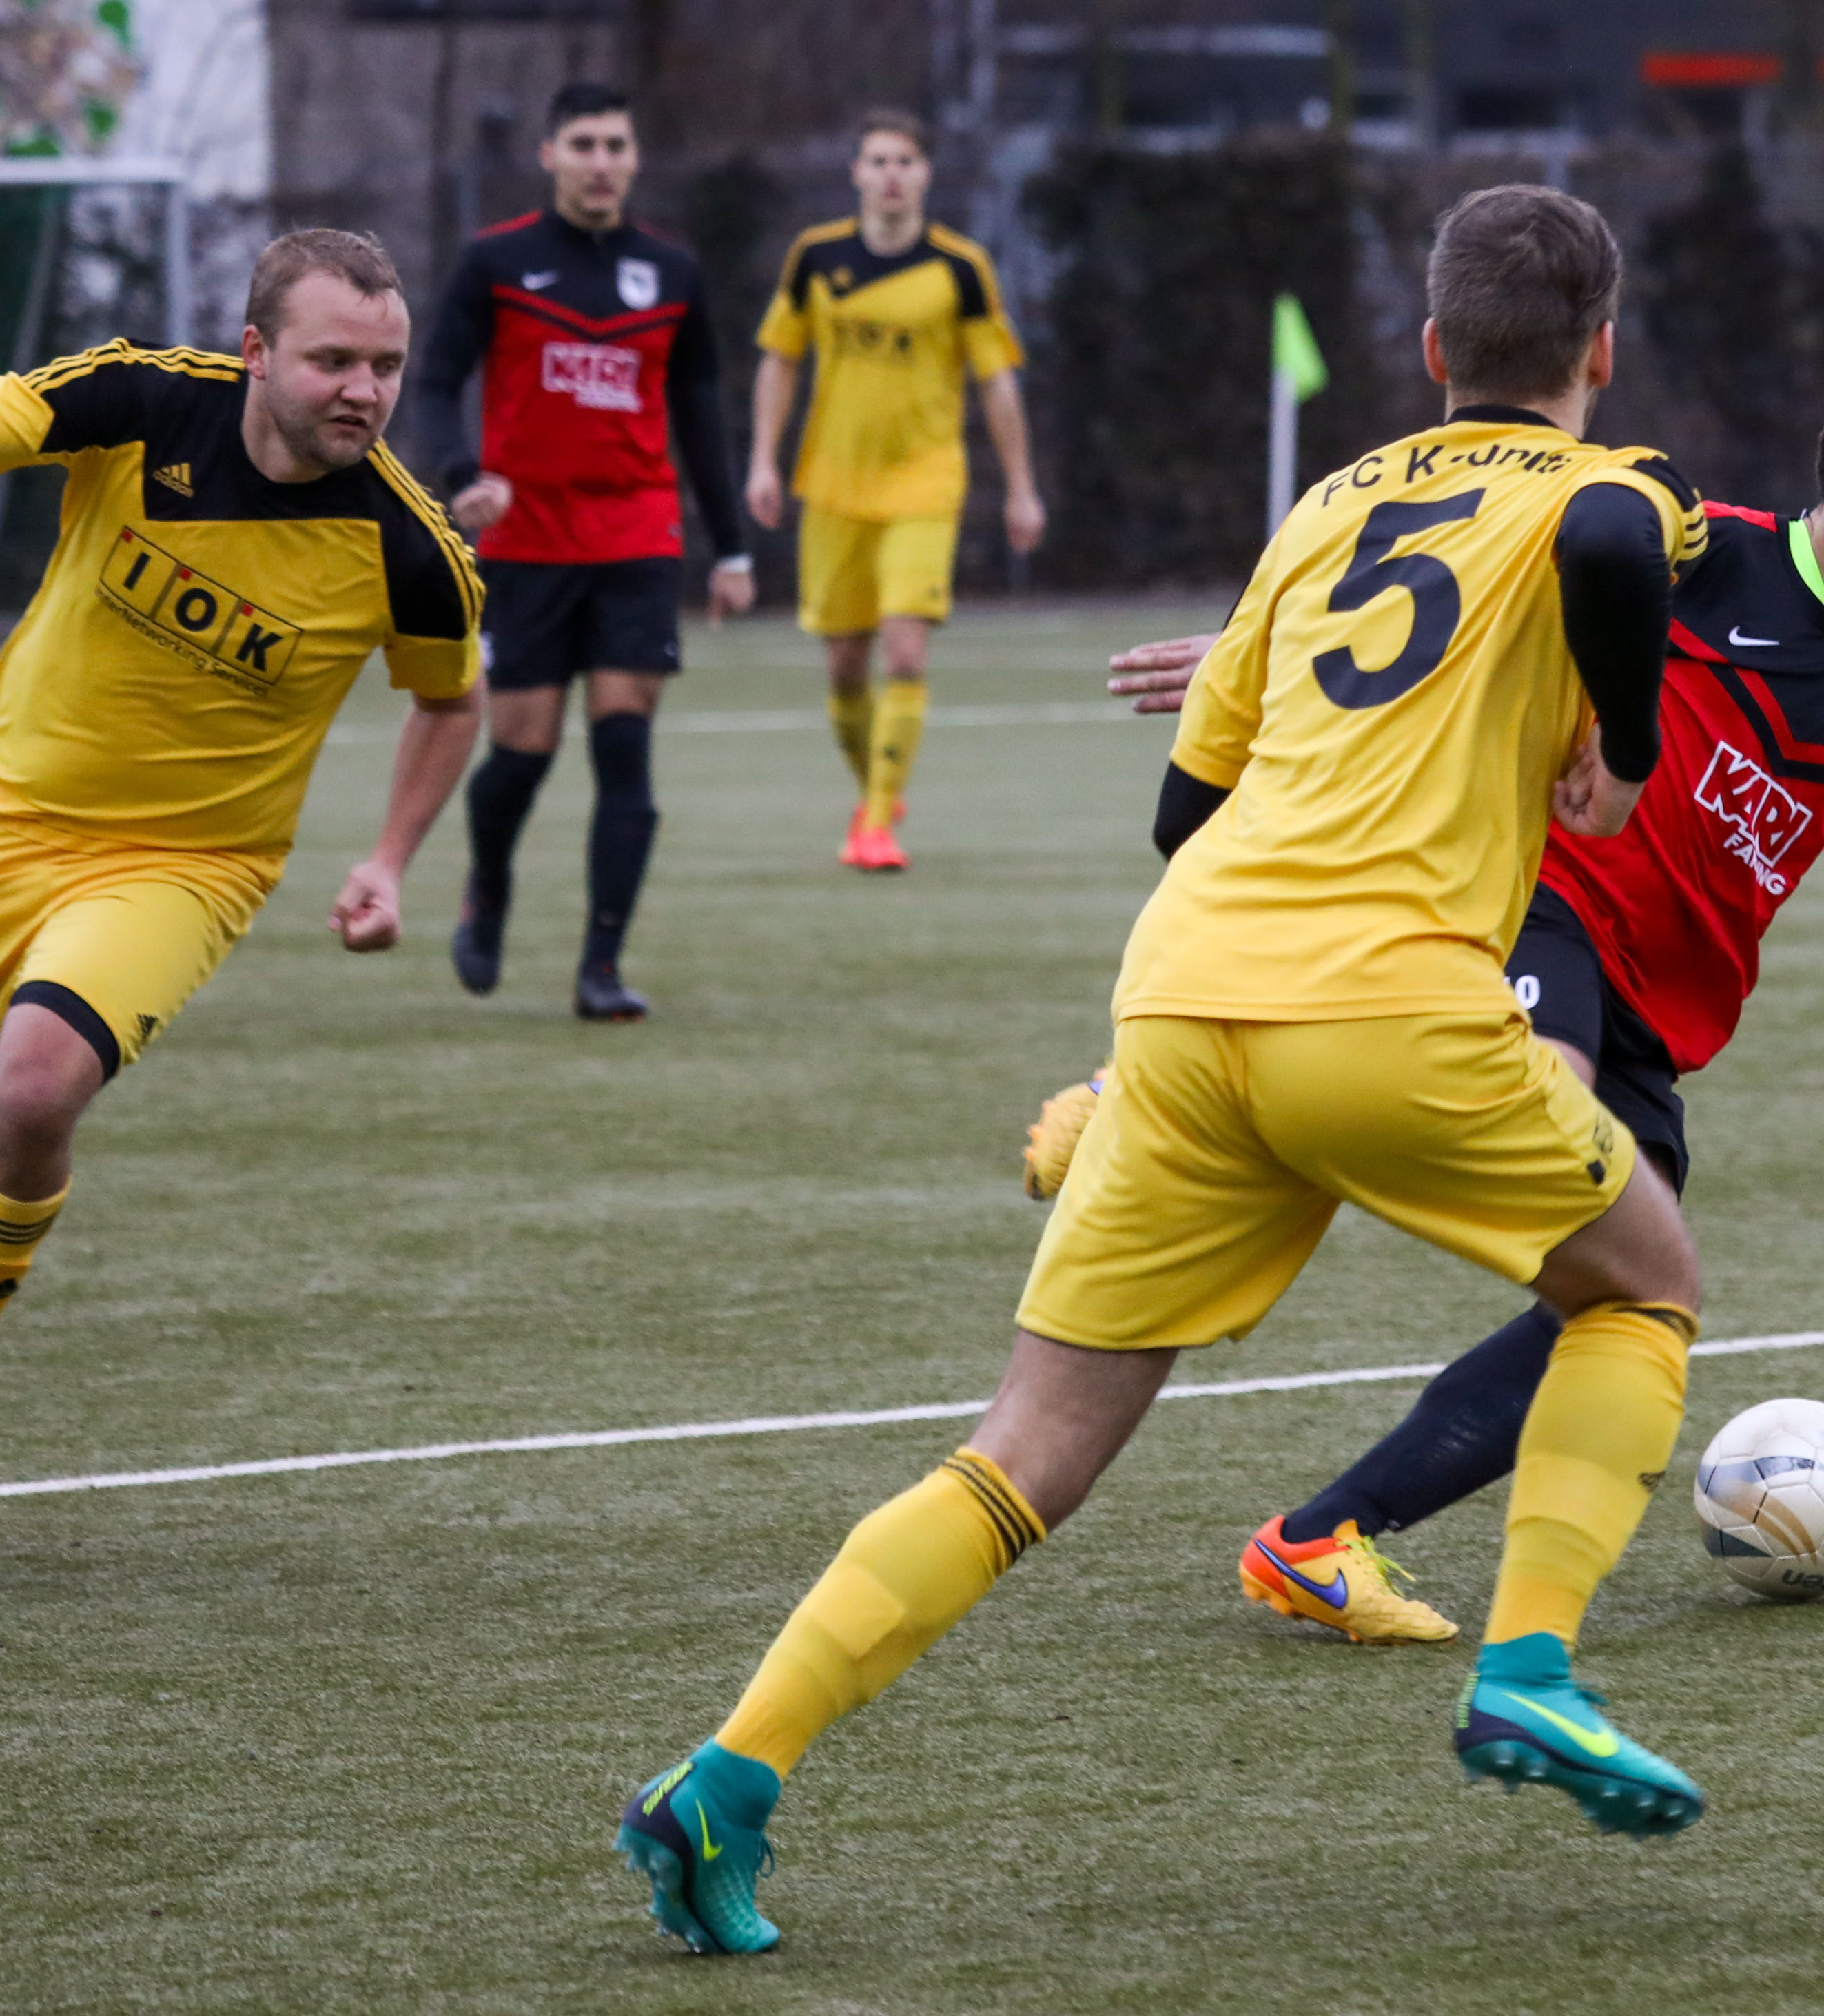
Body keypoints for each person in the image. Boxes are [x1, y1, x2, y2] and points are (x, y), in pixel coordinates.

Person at [617, 187, 1712, 1956]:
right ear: (1604, 348)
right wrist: (1631, 746)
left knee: (1022, 1457)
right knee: (1644, 1285)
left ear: (1432, 348)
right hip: (1392, 1001)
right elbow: (1600, 538)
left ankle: (724, 1781)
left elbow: (1183, 807)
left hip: (1186, 991)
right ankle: (1529, 1666)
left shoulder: (1324, 507)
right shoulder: (1621, 483)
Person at [1073, 359, 1824, 1645]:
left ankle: (1318, 1540)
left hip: (1655, 1023)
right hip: (1534, 910)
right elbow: (1459, 577)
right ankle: (1149, 1095)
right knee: (1546, 1118)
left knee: (1619, 1295)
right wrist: (1271, 653)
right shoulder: (1701, 554)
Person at [0, 230, 484, 1563]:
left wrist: (388, 860)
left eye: (385, 365)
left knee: (32, 1094)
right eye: (332, 360)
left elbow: (450, 700)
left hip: (188, 863)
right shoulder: (138, 400)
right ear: (256, 353)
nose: (363, 390)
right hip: (9, 815)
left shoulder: (410, 547)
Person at [411, 80, 754, 1022]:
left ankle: (601, 965)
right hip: (525, 539)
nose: (601, 163)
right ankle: (488, 882)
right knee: (521, 751)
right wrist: (461, 474)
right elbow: (435, 383)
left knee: (624, 743)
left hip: (638, 535)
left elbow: (700, 414)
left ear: (634, 159)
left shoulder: (671, 273)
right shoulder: (495, 262)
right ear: (550, 155)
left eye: (616, 146)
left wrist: (731, 549)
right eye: (584, 145)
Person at [746, 109, 1044, 872]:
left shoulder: (961, 268)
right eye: (877, 161)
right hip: (833, 486)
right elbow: (780, 358)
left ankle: (875, 825)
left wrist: (1021, 488)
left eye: (904, 162)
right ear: (856, 173)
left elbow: (997, 382)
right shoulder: (815, 257)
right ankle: (876, 792)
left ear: (924, 174)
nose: (890, 175)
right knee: (845, 666)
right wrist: (762, 461)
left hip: (924, 485)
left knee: (905, 651)